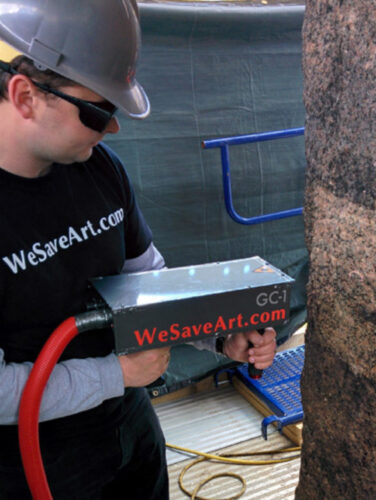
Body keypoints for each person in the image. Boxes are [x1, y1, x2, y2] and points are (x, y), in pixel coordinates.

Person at [0, 1, 277, 499]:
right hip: (35, 464)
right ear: (25, 96)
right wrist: (116, 373)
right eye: (97, 111)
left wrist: (217, 338)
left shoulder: (99, 170)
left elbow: (147, 287)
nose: (112, 128)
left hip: (130, 430)